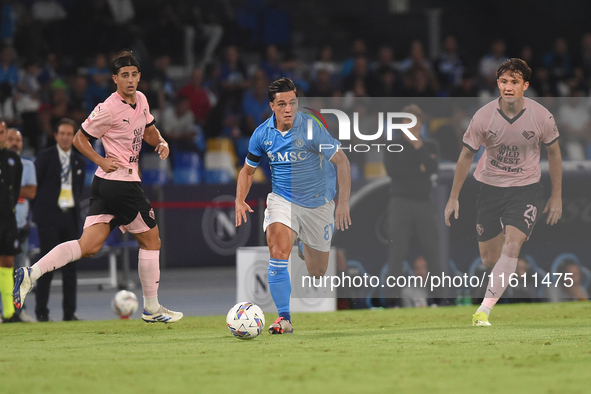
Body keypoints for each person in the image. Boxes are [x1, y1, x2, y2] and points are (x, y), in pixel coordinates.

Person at [13, 50, 183, 323]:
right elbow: (81, 138)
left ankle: (31, 273)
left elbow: (149, 130)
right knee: (152, 240)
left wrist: (161, 142)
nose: (130, 80)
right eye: (124, 75)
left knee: (88, 245)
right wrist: (100, 160)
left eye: (134, 74)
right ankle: (151, 308)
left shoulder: (141, 99)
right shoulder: (108, 107)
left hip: (107, 186)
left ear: (139, 76)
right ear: (114, 79)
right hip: (120, 183)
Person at [444, 58, 563, 327]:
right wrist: (453, 197)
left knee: (512, 245)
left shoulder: (541, 116)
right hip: (491, 189)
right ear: (498, 84)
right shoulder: (484, 116)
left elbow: (554, 153)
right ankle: (509, 272)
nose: (509, 87)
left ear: (525, 86)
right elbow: (465, 155)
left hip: (526, 189)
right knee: (489, 259)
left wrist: (556, 195)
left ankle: (482, 312)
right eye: (504, 82)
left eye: (515, 82)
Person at [235, 77, 351, 334]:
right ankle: (284, 318)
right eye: (282, 103)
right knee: (277, 250)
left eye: (293, 102)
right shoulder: (262, 134)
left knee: (318, 271)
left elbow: (342, 162)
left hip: (317, 205)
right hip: (283, 200)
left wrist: (342, 203)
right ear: (272, 106)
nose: (288, 108)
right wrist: (239, 199)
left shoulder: (311, 129)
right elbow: (247, 171)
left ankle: (304, 245)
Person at [383, 104, 442, 305]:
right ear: (401, 124)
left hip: (423, 203)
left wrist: (418, 148)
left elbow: (433, 168)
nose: (412, 126)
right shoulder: (393, 145)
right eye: (408, 121)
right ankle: (392, 303)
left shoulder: (430, 145)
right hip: (400, 203)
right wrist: (419, 167)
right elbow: (394, 172)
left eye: (416, 122)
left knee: (432, 251)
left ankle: (439, 301)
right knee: (396, 252)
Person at [33, 118, 85, 321]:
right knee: (46, 265)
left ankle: (69, 313)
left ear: (74, 137)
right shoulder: (45, 157)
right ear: (55, 135)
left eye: (69, 134)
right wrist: (40, 214)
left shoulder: (79, 160)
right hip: (49, 219)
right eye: (61, 133)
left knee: (71, 268)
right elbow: (35, 186)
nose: (65, 137)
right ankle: (42, 312)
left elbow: (78, 189)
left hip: (70, 217)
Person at [6, 128, 37, 321]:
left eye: (18, 140)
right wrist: (18, 190)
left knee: (19, 272)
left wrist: (8, 189)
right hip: (3, 226)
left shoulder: (28, 165)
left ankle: (18, 311)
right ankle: (5, 311)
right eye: (10, 139)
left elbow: (31, 192)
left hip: (20, 227)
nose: (14, 143)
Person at [0, 119, 23, 323]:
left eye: (2, 132)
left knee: (8, 261)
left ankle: (9, 313)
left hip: (7, 218)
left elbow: (15, 190)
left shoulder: (13, 160)